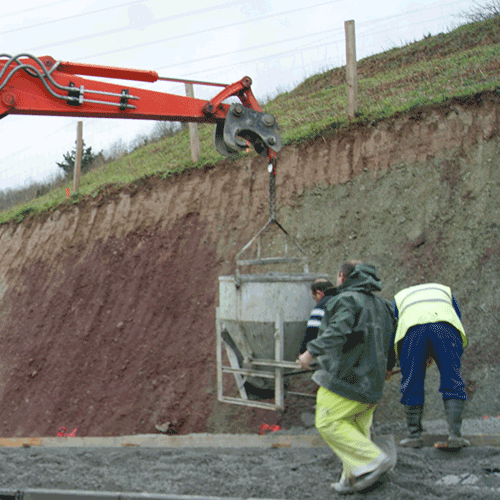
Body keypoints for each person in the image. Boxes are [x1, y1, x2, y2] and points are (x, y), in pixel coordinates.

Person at [298, 261, 396, 494]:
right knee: (355, 429)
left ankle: (373, 460)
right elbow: (390, 339)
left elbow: (338, 330)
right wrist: (389, 366)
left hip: (347, 378)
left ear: (342, 277)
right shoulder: (383, 306)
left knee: (327, 420)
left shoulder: (346, 300)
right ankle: (351, 477)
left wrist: (310, 352)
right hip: (372, 382)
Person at [392, 283, 469, 449]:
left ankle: (414, 436)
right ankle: (455, 436)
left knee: (412, 382)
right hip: (445, 329)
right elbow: (455, 317)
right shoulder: (444, 290)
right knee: (452, 378)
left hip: (412, 331)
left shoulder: (400, 297)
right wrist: (435, 350)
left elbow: (394, 329)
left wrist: (391, 364)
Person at [299, 278, 335, 355]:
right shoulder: (342, 300)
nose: (316, 302)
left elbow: (311, 333)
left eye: (314, 298)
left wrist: (303, 353)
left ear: (318, 293)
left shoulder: (321, 306)